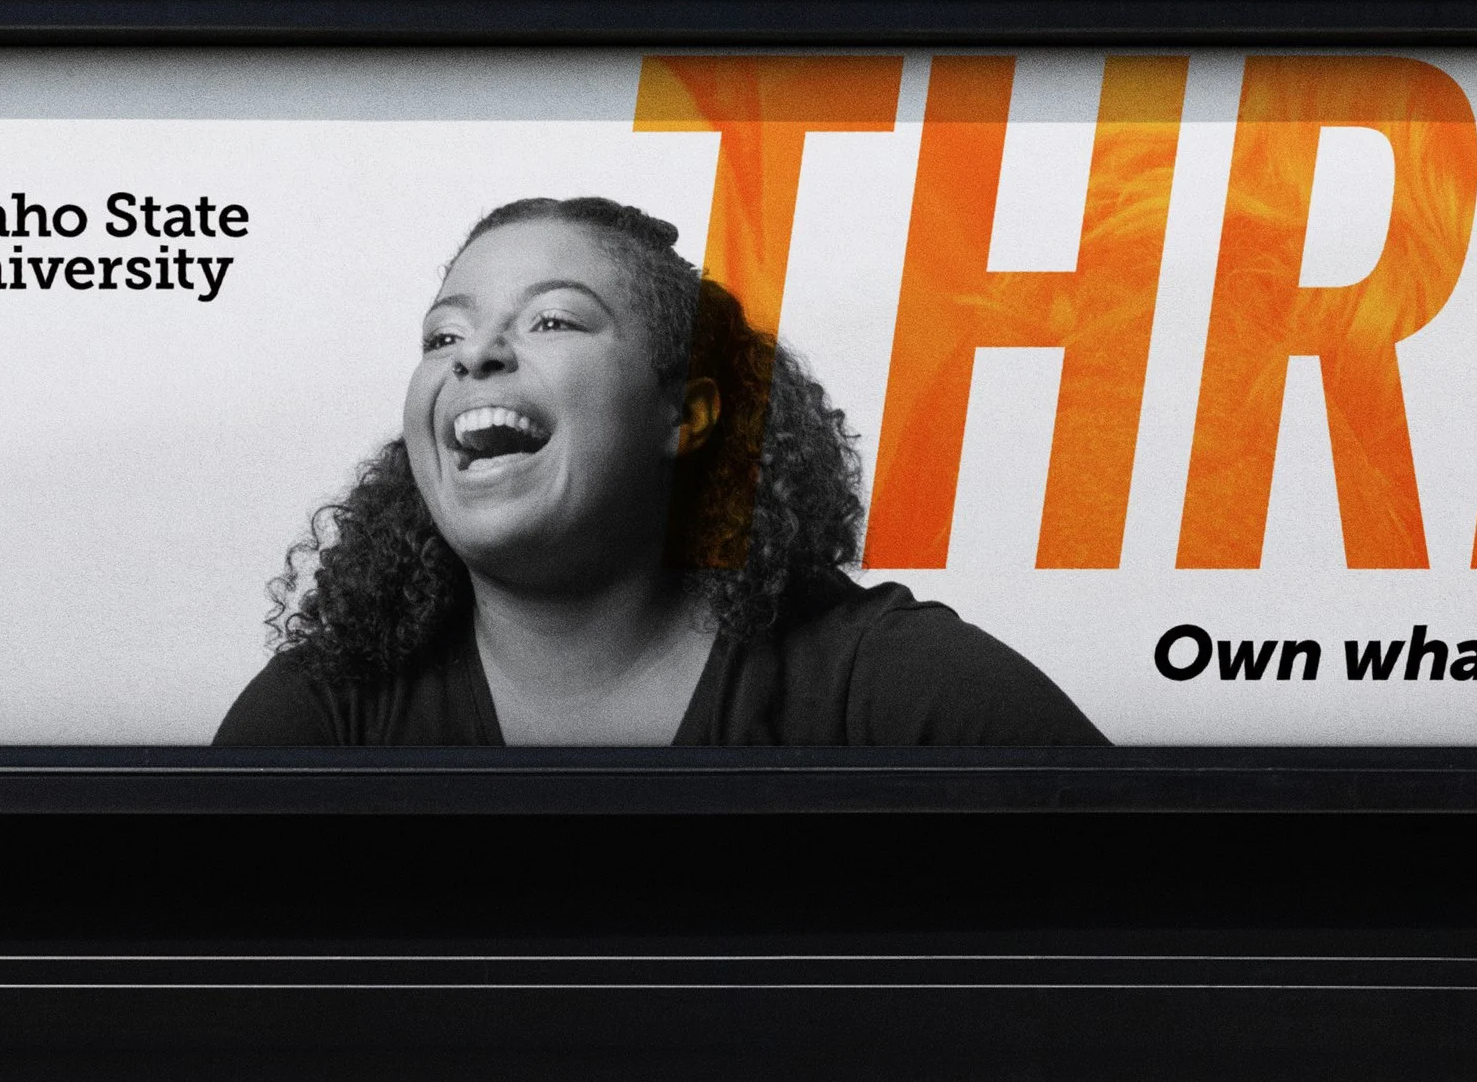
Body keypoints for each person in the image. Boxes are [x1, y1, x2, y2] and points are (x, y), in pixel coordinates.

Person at [215, 195, 1105, 746]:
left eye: (553, 321)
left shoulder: (886, 686)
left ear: (686, 413)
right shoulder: (324, 713)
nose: (474, 355)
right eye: (442, 335)